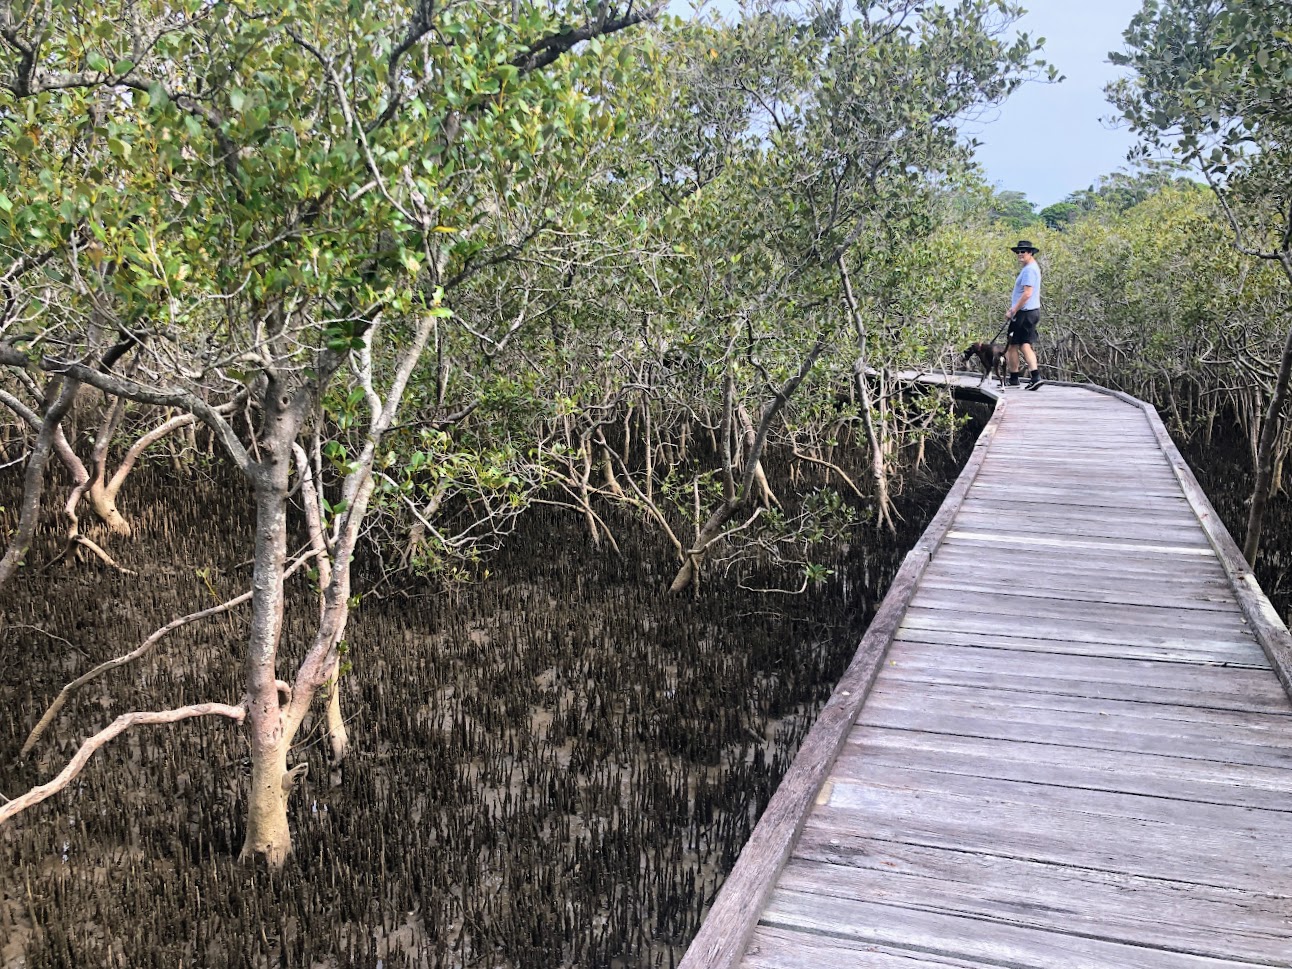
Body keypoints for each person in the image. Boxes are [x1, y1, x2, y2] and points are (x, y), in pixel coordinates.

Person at [1004, 240, 1043, 389]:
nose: (1020, 254)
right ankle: (1033, 377)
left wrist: (1013, 310)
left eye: (1023, 251)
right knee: (1023, 344)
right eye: (1018, 252)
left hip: (1024, 313)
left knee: (1014, 345)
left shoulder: (1029, 270)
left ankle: (1018, 378)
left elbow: (1027, 294)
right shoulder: (1030, 268)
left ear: (1030, 253)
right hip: (1029, 312)